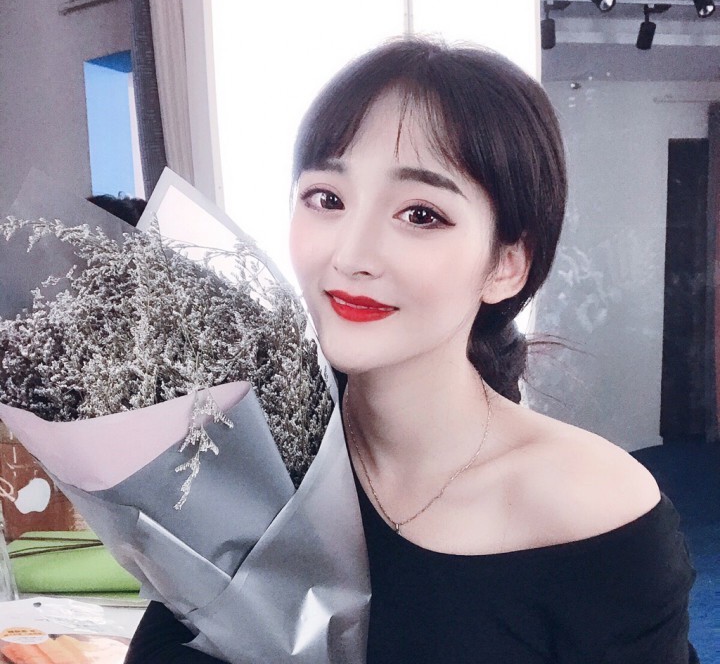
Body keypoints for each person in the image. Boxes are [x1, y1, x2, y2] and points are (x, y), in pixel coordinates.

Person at [125, 38, 698, 663]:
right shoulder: (249, 453)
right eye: (327, 199)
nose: (351, 255)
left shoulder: (591, 507)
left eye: (421, 214)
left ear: (506, 264)